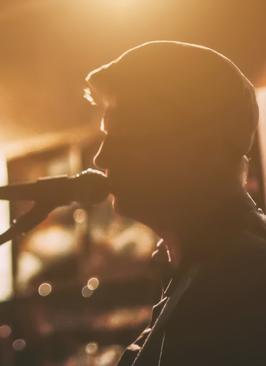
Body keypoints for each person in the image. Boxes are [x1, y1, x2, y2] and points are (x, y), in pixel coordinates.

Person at [85, 40, 266, 365]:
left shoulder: (241, 281)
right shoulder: (205, 268)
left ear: (202, 150)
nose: (101, 157)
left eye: (123, 136)